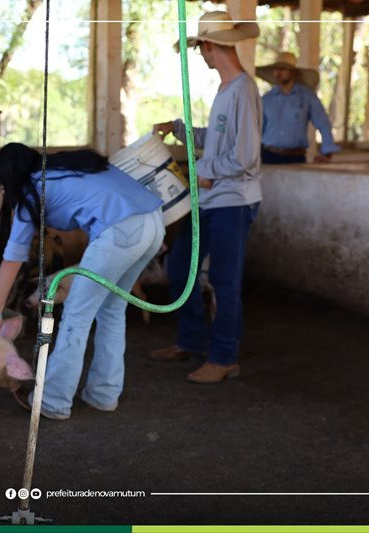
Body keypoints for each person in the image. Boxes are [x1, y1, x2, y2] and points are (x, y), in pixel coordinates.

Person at [0, 143, 165, 420]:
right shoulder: (68, 165)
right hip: (154, 223)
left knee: (76, 317)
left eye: (1, 185)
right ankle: (103, 395)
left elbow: (12, 260)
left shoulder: (33, 188)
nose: (3, 192)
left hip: (120, 232)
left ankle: (53, 401)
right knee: (112, 312)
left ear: (10, 178)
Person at [149, 11, 261, 384]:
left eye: (200, 48)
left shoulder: (243, 89)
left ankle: (225, 355)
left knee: (226, 280)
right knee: (180, 266)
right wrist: (179, 130)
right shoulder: (226, 90)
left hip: (234, 199)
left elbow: (244, 156)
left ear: (211, 46)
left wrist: (207, 172)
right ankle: (192, 340)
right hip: (214, 199)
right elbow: (216, 141)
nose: (200, 55)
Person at [256, 51, 340, 164]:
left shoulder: (307, 97)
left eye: (283, 69)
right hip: (268, 156)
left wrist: (327, 151)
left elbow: (323, 124)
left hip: (295, 157)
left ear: (293, 73)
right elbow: (257, 129)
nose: (278, 72)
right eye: (276, 69)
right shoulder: (266, 99)